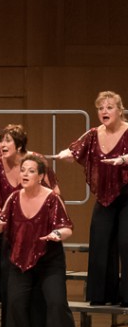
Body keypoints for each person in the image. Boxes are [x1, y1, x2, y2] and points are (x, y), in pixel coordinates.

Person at [0, 154, 78, 327]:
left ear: (41, 176)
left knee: (56, 303)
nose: (25, 174)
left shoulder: (52, 198)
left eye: (31, 171)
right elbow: (0, 225)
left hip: (49, 261)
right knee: (16, 303)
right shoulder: (13, 198)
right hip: (20, 260)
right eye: (23, 170)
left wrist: (57, 234)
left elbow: (66, 227)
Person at [53, 91, 128, 305]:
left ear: (119, 110)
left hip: (127, 195)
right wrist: (66, 154)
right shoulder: (94, 134)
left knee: (126, 243)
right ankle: (102, 296)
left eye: (109, 107)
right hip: (105, 196)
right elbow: (75, 150)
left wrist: (123, 160)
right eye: (100, 108)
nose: (104, 111)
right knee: (100, 242)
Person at [0, 125, 58, 306]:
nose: (2, 144)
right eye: (1, 141)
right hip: (7, 225)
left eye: (7, 141)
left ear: (19, 146)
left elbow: (54, 191)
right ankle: (7, 311)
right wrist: (0, 215)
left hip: (34, 225)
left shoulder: (35, 161)